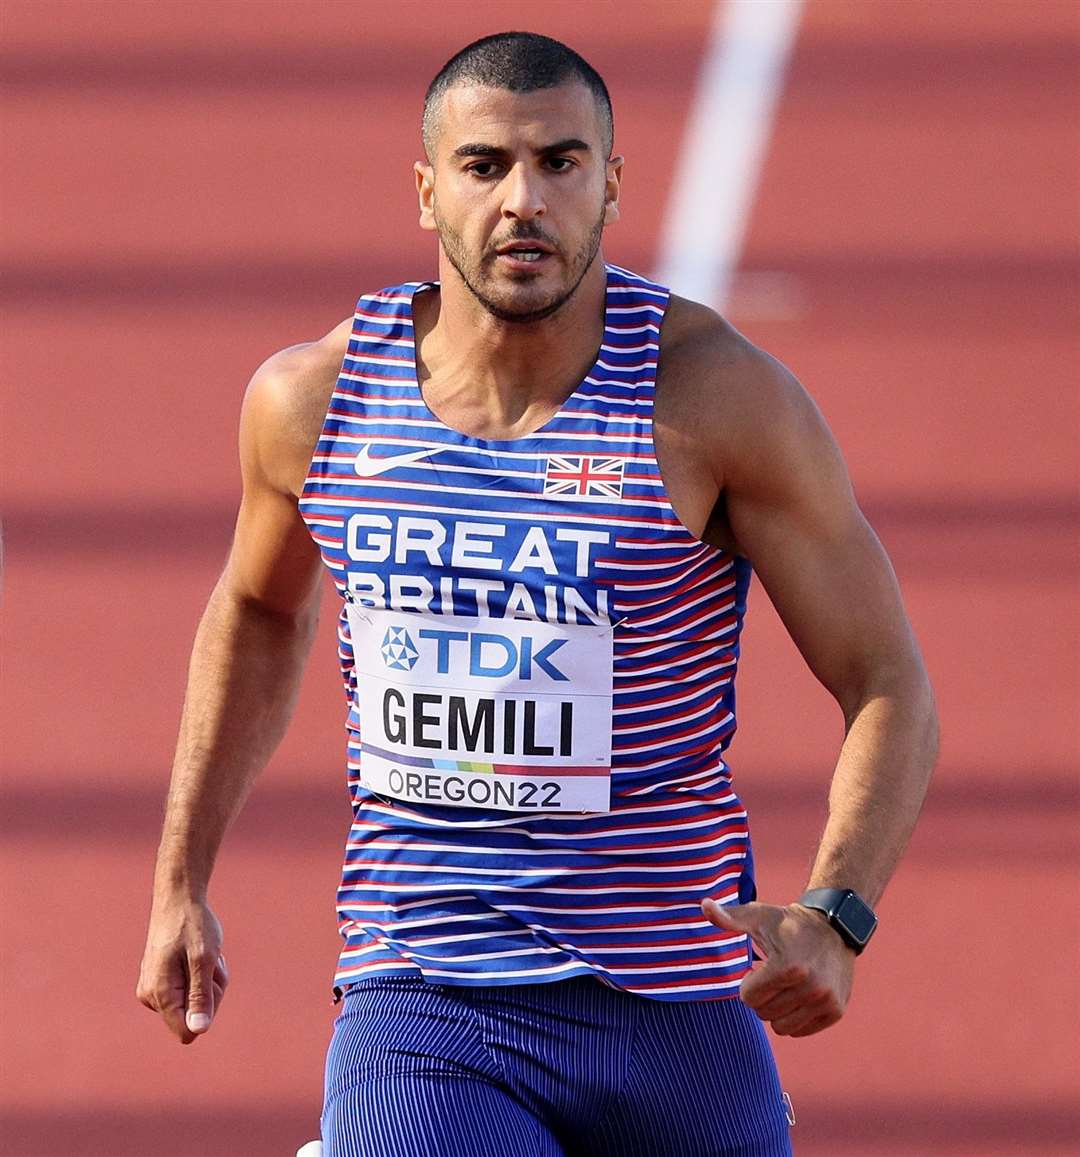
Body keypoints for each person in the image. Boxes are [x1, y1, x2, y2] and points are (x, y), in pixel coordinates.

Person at [137, 31, 937, 1157]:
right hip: (427, 991)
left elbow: (888, 679)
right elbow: (260, 610)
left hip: (680, 1004)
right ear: (426, 190)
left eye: (561, 163)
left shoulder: (714, 402)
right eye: (484, 166)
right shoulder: (316, 403)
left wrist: (837, 914)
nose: (524, 200)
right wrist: (182, 880)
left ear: (611, 182)